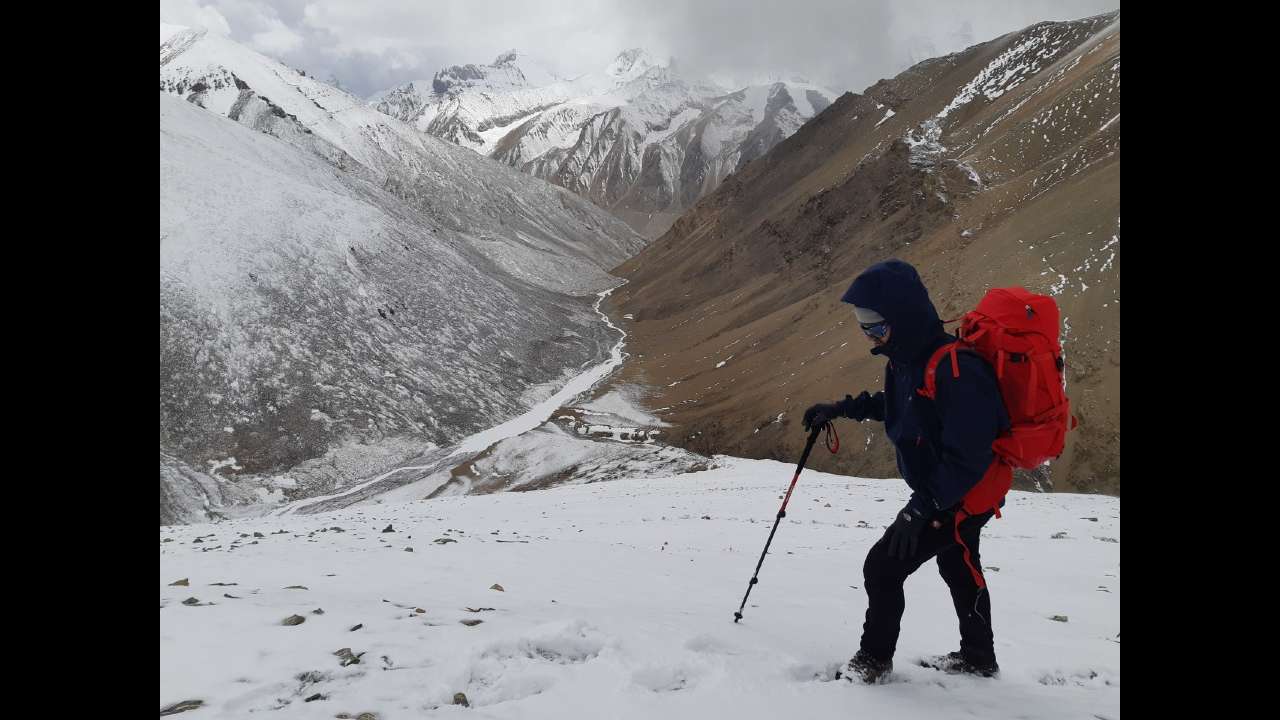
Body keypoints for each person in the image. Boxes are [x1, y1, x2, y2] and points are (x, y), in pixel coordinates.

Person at [802, 259, 1010, 684]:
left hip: (960, 493)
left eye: (877, 327)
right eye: (865, 328)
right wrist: (842, 409)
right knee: (959, 564)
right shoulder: (908, 358)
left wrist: (920, 510)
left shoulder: (956, 369)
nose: (871, 337)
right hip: (949, 492)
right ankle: (978, 658)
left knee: (882, 567)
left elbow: (967, 456)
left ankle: (872, 661)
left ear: (903, 317)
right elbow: (903, 407)